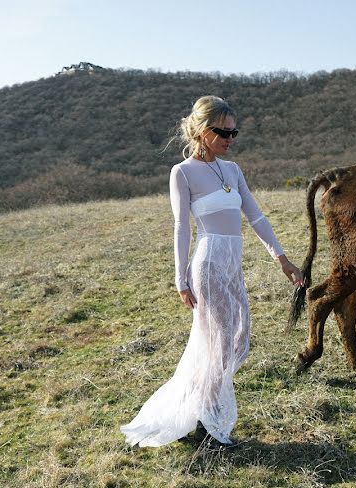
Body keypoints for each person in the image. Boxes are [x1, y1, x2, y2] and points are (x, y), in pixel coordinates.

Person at [121, 96, 303, 448]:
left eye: (235, 132)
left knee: (236, 337)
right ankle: (207, 418)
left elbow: (256, 217)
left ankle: (196, 406)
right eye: (223, 132)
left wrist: (282, 258)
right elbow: (181, 227)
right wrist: (179, 278)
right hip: (206, 264)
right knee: (219, 341)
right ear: (203, 131)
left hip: (233, 265)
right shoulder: (183, 172)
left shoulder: (232, 170)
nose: (230, 138)